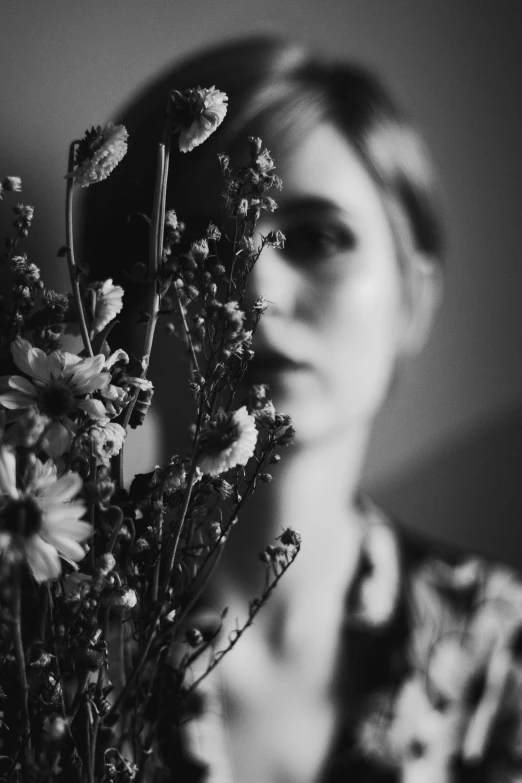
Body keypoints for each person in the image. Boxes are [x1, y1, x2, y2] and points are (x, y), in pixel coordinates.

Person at [84, 36, 522, 783]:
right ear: (118, 317)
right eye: (197, 245)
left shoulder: (502, 650)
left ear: (414, 297)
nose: (258, 297)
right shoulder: (39, 646)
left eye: (319, 237)